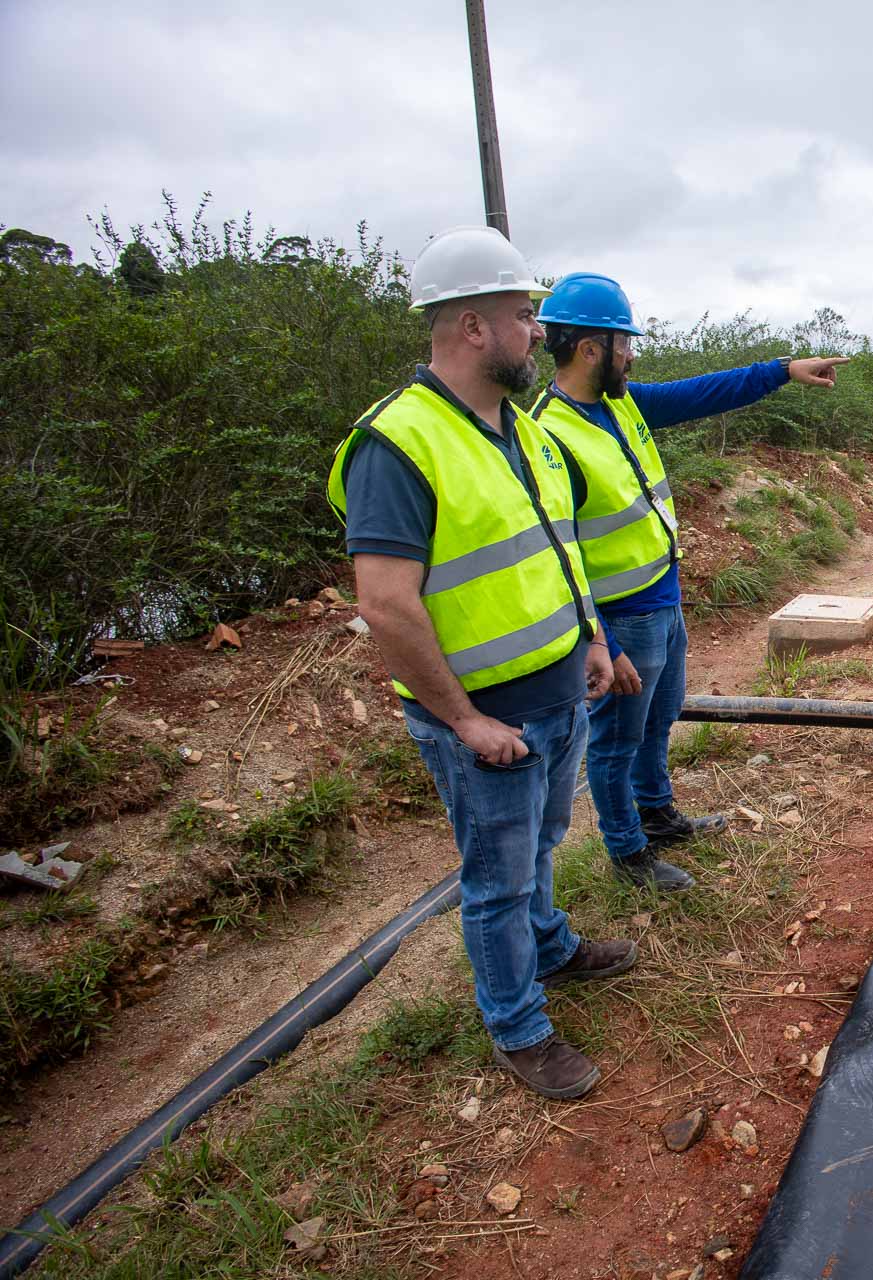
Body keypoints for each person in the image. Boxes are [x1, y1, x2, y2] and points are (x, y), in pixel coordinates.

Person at [325, 227, 630, 1101]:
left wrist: (592, 640)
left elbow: (559, 548)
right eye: (523, 315)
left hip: (557, 693)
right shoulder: (399, 443)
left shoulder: (521, 431)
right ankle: (518, 1026)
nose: (538, 332)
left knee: (541, 844)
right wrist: (462, 719)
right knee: (496, 879)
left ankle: (552, 947)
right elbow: (387, 604)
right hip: (488, 717)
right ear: (471, 326)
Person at [528, 272, 847, 892]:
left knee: (660, 717)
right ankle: (628, 853)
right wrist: (602, 641)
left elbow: (703, 392)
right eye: (624, 343)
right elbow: (554, 556)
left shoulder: (619, 403)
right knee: (615, 741)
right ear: (590, 348)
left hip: (662, 600)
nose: (631, 355)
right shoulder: (547, 435)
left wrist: (783, 371)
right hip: (620, 618)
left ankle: (656, 813)